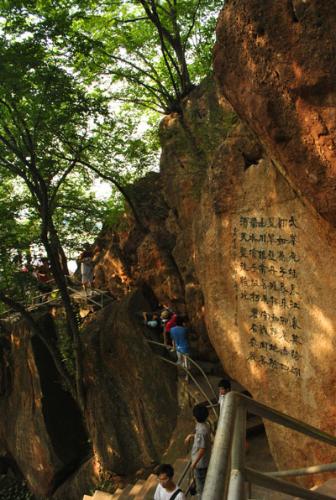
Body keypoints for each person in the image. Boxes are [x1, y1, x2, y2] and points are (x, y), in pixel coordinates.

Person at [185, 405, 211, 497]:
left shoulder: (201, 430)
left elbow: (202, 449)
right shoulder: (206, 424)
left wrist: (194, 464)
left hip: (201, 464)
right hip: (205, 460)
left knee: (201, 486)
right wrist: (191, 436)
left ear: (195, 417)